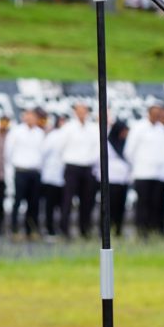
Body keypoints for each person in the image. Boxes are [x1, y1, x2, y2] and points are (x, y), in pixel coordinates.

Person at [126, 101, 164, 238]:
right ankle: (141, 231)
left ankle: (154, 230)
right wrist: (140, 163)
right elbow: (129, 151)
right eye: (155, 113)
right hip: (143, 172)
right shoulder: (139, 127)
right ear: (149, 113)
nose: (158, 116)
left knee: (156, 204)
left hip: (158, 174)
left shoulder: (162, 129)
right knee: (143, 203)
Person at [60, 101, 100, 239]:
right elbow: (61, 146)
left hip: (88, 167)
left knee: (87, 200)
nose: (82, 113)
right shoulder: (68, 127)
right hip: (72, 166)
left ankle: (85, 230)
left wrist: (91, 160)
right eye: (79, 110)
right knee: (68, 199)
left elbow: (98, 147)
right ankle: (64, 229)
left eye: (84, 110)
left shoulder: (94, 128)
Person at [7, 107, 47, 240]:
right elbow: (8, 152)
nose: (30, 118)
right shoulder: (16, 131)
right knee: (17, 202)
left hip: (35, 172)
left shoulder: (40, 133)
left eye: (33, 116)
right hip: (21, 170)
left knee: (34, 202)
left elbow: (43, 153)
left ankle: (31, 230)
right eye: (28, 116)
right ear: (24, 117)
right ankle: (14, 230)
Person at [102, 120, 131, 237]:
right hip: (111, 180)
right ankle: (107, 231)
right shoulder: (108, 143)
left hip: (123, 180)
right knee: (110, 208)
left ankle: (118, 230)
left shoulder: (126, 143)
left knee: (120, 207)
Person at [40, 113, 68, 238]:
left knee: (63, 205)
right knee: (50, 205)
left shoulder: (68, 135)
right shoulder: (53, 136)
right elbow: (44, 152)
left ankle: (62, 228)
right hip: (51, 175)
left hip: (65, 176)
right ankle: (49, 228)